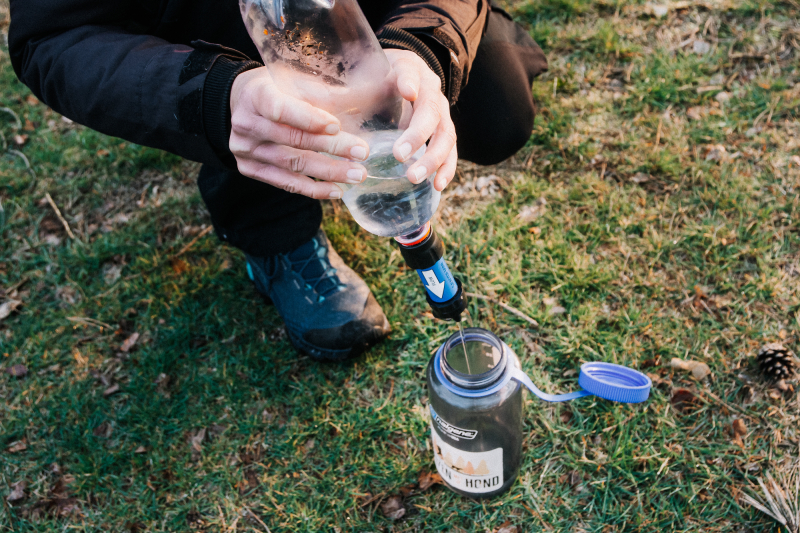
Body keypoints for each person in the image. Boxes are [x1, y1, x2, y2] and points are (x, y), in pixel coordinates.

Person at [9, 0, 547, 361]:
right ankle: (272, 229)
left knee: (495, 111)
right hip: (218, 28)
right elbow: (54, 35)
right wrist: (213, 97)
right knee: (276, 103)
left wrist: (425, 43)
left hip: (361, 12)